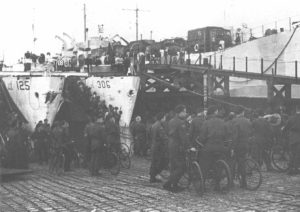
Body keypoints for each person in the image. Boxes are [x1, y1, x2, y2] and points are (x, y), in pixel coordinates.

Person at [199, 105, 229, 191]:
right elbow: (226, 136)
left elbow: (202, 137)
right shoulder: (222, 122)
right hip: (220, 147)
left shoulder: (206, 122)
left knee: (204, 165)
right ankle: (217, 185)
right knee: (218, 166)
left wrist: (200, 144)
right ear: (215, 112)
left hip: (209, 148)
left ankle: (202, 185)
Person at [163, 105, 189, 193]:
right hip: (178, 146)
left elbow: (167, 132)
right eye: (185, 111)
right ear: (180, 112)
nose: (186, 113)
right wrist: (188, 147)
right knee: (182, 167)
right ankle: (170, 184)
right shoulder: (181, 122)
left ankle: (172, 184)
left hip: (171, 145)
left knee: (174, 166)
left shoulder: (170, 121)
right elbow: (183, 138)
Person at [231, 107, 253, 188]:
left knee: (233, 163)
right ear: (242, 112)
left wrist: (232, 148)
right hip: (246, 144)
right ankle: (243, 182)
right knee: (242, 162)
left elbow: (234, 136)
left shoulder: (234, 121)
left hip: (238, 145)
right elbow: (251, 133)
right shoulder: (248, 121)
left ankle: (231, 182)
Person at [149, 112, 169, 183]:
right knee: (158, 162)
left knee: (154, 162)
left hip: (153, 145)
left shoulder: (154, 125)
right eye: (164, 117)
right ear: (162, 118)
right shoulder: (159, 126)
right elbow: (163, 137)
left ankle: (152, 177)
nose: (165, 119)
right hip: (158, 147)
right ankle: (154, 176)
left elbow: (150, 135)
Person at [283, 105, 300, 175]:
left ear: (296, 109)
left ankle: (291, 169)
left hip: (293, 138)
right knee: (298, 154)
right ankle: (297, 168)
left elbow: (285, 128)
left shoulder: (291, 118)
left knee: (292, 153)